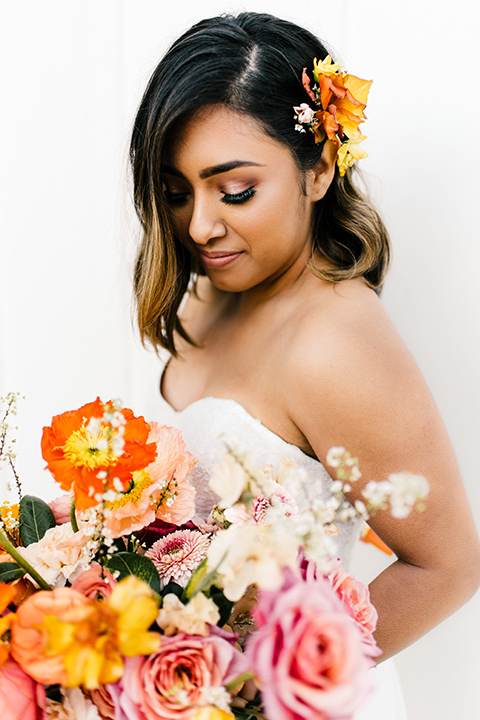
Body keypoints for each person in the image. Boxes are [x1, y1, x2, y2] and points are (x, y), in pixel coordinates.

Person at [129, 11, 480, 718]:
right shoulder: (209, 297)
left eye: (234, 191)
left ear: (318, 167)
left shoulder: (336, 340)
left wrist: (258, 692)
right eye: (176, 192)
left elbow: (447, 565)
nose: (199, 225)